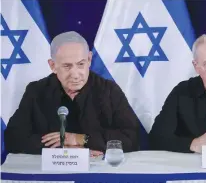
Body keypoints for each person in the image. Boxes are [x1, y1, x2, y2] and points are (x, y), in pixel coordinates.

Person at [4, 31, 140, 156]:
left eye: (81, 64)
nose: (75, 74)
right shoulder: (36, 91)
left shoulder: (109, 90)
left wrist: (81, 139)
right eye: (67, 66)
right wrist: (66, 151)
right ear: (53, 66)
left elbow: (132, 138)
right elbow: (13, 138)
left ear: (89, 59)